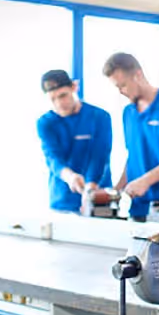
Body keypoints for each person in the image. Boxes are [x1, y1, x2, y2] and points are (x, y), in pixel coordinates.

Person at [102, 53, 159, 221]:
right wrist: (116, 190)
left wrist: (145, 181)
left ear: (138, 75)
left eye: (123, 85)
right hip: (138, 208)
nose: (121, 92)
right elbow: (133, 156)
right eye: (117, 87)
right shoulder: (128, 113)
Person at [35, 70, 113, 213]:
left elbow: (100, 156)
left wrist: (90, 187)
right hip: (62, 200)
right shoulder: (45, 123)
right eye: (53, 99)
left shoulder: (100, 117)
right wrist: (70, 177)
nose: (59, 103)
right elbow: (53, 158)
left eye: (63, 95)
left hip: (99, 197)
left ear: (74, 87)